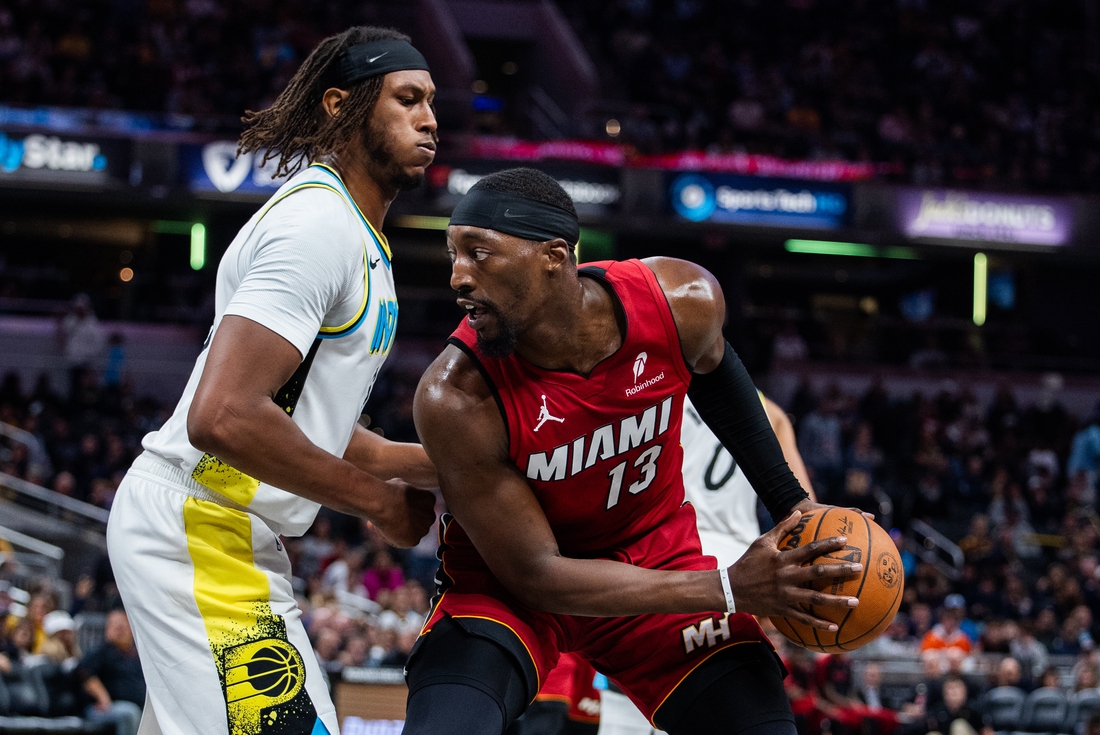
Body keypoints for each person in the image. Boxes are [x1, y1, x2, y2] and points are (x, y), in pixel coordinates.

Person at [406, 168, 865, 735]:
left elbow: (721, 379)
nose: (458, 277)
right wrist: (726, 587)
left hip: (654, 557)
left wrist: (794, 505)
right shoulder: (453, 394)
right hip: (513, 591)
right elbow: (538, 575)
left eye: (479, 254)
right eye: (453, 254)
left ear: (554, 256)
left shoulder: (680, 301)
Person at [105, 26, 439, 735]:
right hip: (197, 525)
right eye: (407, 99)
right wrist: (379, 504)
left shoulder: (354, 235)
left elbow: (317, 424)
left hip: (228, 532)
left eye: (431, 102)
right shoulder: (318, 226)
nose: (430, 118)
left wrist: (460, 469)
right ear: (339, 107)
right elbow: (222, 414)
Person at [595, 394, 818, 735]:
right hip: (745, 562)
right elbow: (806, 511)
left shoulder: (657, 383)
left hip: (668, 550)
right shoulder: (772, 413)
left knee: (634, 701)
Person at [77, 609, 145, 735]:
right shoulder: (101, 652)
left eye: (123, 626)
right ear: (107, 629)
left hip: (137, 706)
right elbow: (85, 673)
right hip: (104, 708)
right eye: (116, 626)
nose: (120, 630)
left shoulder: (138, 655)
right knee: (129, 713)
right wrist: (103, 697)